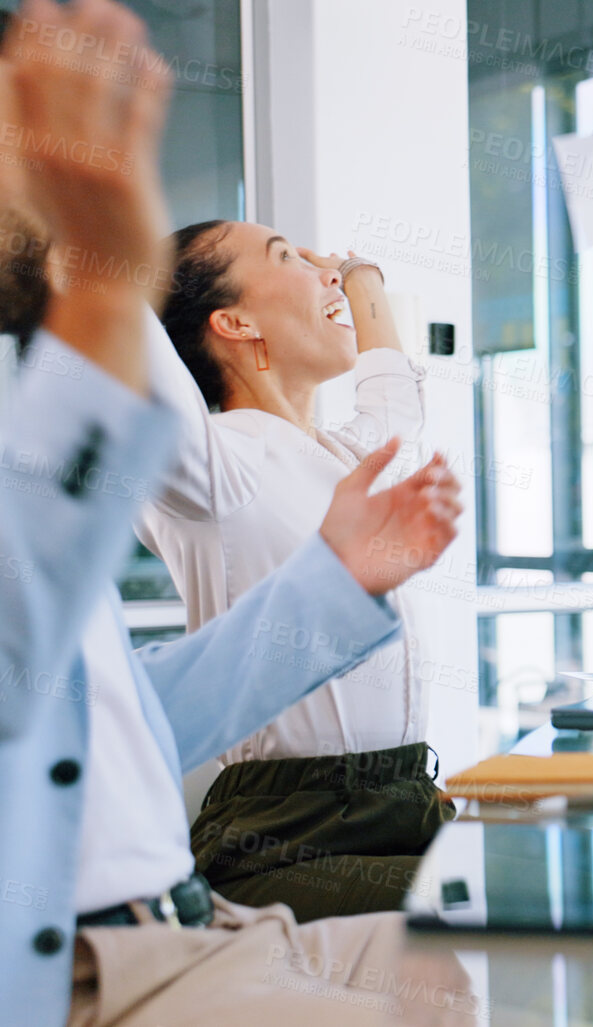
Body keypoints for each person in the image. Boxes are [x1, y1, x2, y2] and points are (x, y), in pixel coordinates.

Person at [0, 2, 464, 1022]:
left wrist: (333, 584)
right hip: (102, 957)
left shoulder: (313, 453)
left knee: (571, 959)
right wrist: (98, 258)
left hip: (194, 920)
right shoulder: (200, 455)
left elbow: (133, 714)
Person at [142, 221, 446, 920]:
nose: (325, 275)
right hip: (288, 831)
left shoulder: (340, 457)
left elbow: (395, 403)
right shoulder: (215, 464)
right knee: (504, 914)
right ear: (234, 320)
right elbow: (144, 383)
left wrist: (364, 280)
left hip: (404, 799)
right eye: (288, 258)